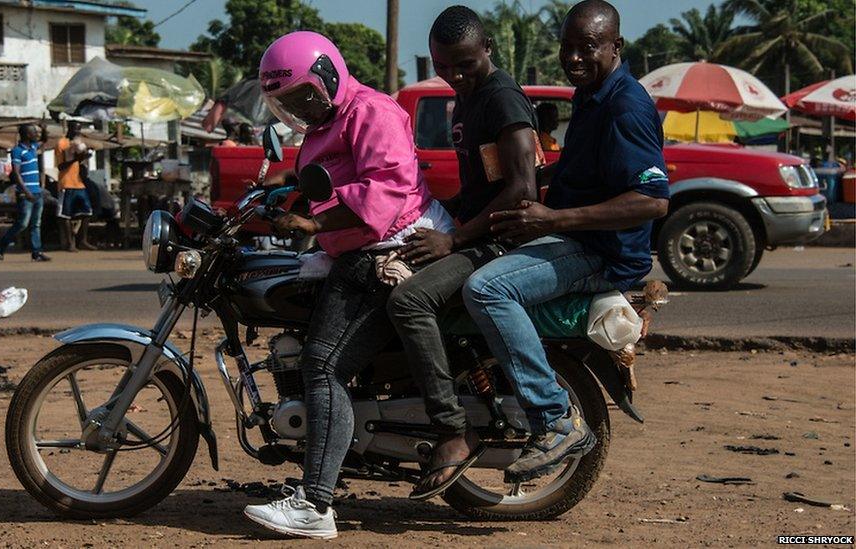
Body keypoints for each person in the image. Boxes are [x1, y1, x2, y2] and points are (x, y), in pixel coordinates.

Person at [242, 31, 454, 539]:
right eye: (288, 101)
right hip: (357, 242)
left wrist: (315, 224)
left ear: (328, 76)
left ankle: (315, 505)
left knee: (323, 364)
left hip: (394, 245)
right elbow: (332, 176)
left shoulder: (371, 112)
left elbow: (387, 188)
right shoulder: (327, 122)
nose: (300, 106)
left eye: (303, 95)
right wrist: (286, 189)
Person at [461, 0, 670, 483]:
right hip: (576, 234)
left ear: (616, 47)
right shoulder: (593, 93)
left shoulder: (626, 105)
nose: (574, 58)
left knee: (488, 289)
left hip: (601, 252)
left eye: (588, 48)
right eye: (567, 48)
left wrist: (554, 219)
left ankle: (554, 419)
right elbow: (582, 174)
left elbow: (652, 201)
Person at [386, 5, 542, 500]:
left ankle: (453, 429)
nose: (454, 75)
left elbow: (521, 191)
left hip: (498, 241)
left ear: (488, 50)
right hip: (474, 230)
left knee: (408, 301)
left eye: (465, 65)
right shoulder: (469, 98)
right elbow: (481, 186)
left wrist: (452, 238)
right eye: (443, 66)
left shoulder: (502, 100)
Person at [0, 123, 51, 262]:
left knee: (36, 224)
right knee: (22, 224)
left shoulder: (32, 147)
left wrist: (43, 128)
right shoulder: (17, 151)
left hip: (37, 192)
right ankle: (1, 245)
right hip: (26, 194)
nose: (36, 135)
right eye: (34, 132)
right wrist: (26, 192)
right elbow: (16, 173)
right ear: (27, 134)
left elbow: (44, 140)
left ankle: (36, 252)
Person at [55, 120, 96, 251]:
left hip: (78, 183)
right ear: (69, 129)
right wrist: (75, 159)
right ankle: (69, 243)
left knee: (87, 212)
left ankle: (82, 240)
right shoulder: (62, 143)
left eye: (79, 129)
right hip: (66, 183)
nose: (77, 132)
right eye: (75, 129)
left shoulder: (79, 143)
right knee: (65, 215)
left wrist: (84, 155)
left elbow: (81, 160)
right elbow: (61, 166)